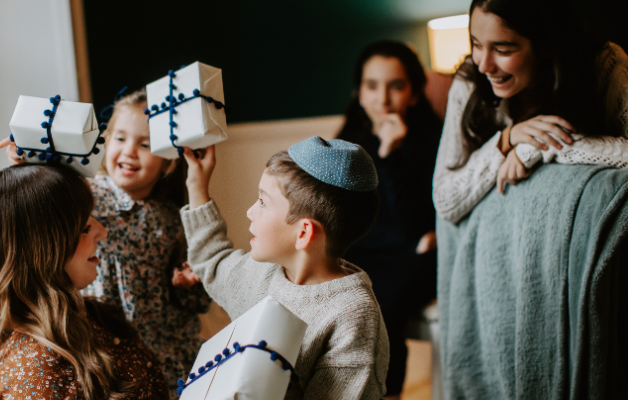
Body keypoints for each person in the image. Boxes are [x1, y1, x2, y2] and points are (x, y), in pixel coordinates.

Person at [0, 89, 211, 397]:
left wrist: (187, 285)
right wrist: (26, 159)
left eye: (146, 144)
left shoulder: (173, 220)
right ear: (105, 142)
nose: (129, 151)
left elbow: (195, 301)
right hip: (103, 343)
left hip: (166, 347)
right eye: (120, 139)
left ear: (168, 164)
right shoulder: (87, 195)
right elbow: (43, 196)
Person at [172, 137, 389, 399]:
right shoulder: (260, 274)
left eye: (263, 202)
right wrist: (196, 184)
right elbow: (213, 260)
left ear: (303, 232)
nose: (250, 211)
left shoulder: (353, 316)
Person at [0, 164, 168, 400]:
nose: (102, 231)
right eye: (85, 228)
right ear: (41, 256)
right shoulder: (35, 378)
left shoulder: (77, 315)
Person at [433, 0, 628, 224]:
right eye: (476, 44)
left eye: (502, 50)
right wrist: (506, 140)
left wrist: (532, 147)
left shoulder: (606, 64)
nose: (484, 66)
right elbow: (445, 201)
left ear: (545, 44)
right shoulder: (469, 81)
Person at [336, 40, 442, 399]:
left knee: (381, 304)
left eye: (396, 86)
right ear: (359, 92)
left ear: (413, 94)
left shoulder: (434, 142)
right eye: (372, 86)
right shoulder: (347, 141)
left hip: (415, 255)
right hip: (364, 251)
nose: (383, 99)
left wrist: (391, 155)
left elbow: (416, 228)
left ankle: (388, 395)